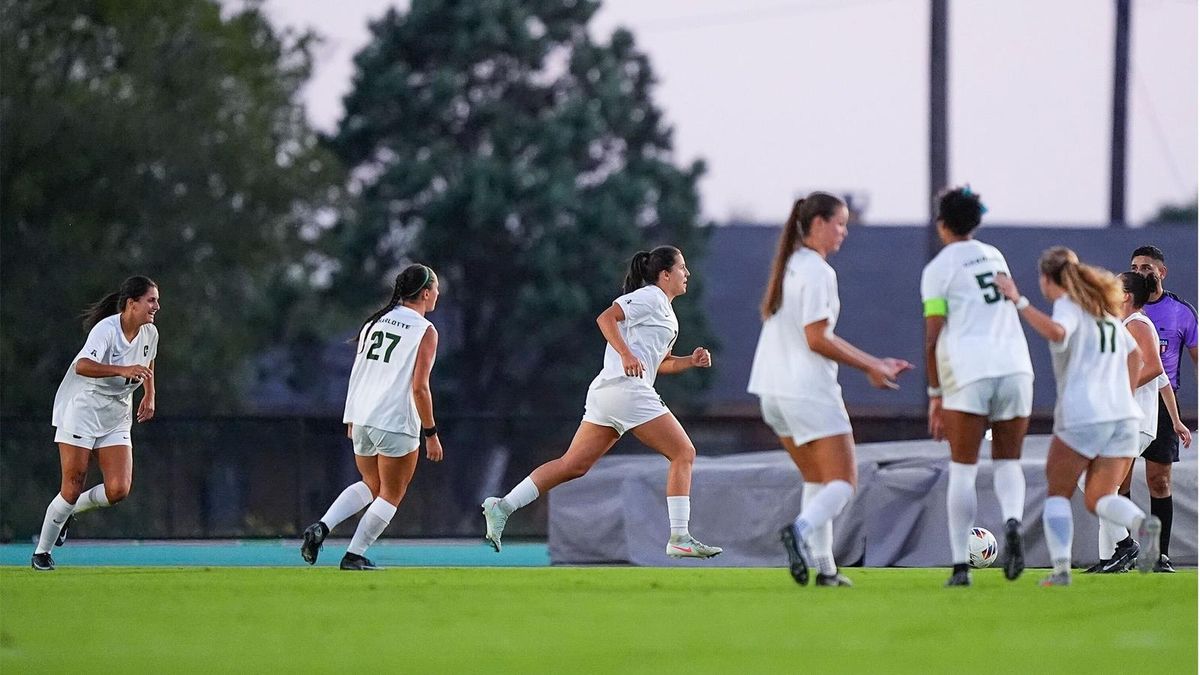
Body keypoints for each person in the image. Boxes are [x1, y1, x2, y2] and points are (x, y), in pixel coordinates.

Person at [481, 246, 721, 559]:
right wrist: (626, 354)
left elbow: (660, 363)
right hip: (626, 390)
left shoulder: (667, 312)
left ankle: (502, 506)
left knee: (573, 465)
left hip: (609, 394)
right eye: (682, 268)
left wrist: (690, 361)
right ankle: (679, 537)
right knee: (684, 452)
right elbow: (606, 318)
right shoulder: (649, 296)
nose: (687, 273)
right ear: (665, 274)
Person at [747, 192, 912, 587]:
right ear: (818, 223)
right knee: (843, 482)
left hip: (771, 391)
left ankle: (826, 570)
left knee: (817, 480)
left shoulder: (789, 265)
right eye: (839, 224)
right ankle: (798, 532)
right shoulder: (819, 272)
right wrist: (873, 364)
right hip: (807, 390)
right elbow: (817, 338)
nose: (843, 232)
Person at [995, 247, 1159, 586]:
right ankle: (1142, 524)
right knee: (1099, 497)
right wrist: (1123, 393)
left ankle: (1061, 571)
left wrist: (1018, 301)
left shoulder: (1069, 305)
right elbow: (1134, 357)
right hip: (1125, 416)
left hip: (1084, 413)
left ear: (1046, 279)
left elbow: (1059, 332)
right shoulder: (1105, 310)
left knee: (1058, 492)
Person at [919, 187, 1034, 587]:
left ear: (942, 224)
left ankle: (960, 566)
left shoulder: (938, 269)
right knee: (1008, 462)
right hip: (1016, 366)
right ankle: (1013, 521)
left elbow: (933, 337)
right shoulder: (995, 256)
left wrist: (935, 395)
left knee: (963, 469)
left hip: (969, 370)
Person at [300, 264, 443, 571]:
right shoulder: (425, 330)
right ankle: (354, 555)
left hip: (363, 415)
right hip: (395, 419)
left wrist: (351, 416)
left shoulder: (375, 322)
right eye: (436, 289)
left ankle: (322, 527)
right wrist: (431, 433)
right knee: (392, 492)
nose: (438, 294)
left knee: (371, 483)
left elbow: (360, 372)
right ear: (425, 293)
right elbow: (420, 387)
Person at [32, 276, 160, 571]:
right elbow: (82, 365)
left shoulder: (150, 332)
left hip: (116, 415)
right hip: (83, 410)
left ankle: (67, 512)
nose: (156, 306)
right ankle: (42, 552)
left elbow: (148, 360)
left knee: (118, 490)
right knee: (71, 487)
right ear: (132, 303)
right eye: (151, 300)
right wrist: (122, 369)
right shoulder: (106, 330)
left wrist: (149, 394)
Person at [1084, 272, 1191, 573]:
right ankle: (1110, 558)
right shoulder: (1127, 325)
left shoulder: (1137, 324)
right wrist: (1176, 420)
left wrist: (1118, 388)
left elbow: (1154, 367)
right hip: (1131, 421)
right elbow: (1162, 380)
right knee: (1107, 487)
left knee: (1094, 483)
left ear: (1126, 295)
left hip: (1133, 421)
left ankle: (1127, 543)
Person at [1125, 245, 1197, 572]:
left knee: (1159, 479)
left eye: (1146, 267)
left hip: (1162, 401)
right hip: (1128, 400)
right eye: (1135, 267)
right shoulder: (1123, 309)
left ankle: (1159, 554)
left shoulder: (1181, 312)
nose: (1140, 273)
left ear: (1161, 272)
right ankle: (1122, 548)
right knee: (1119, 478)